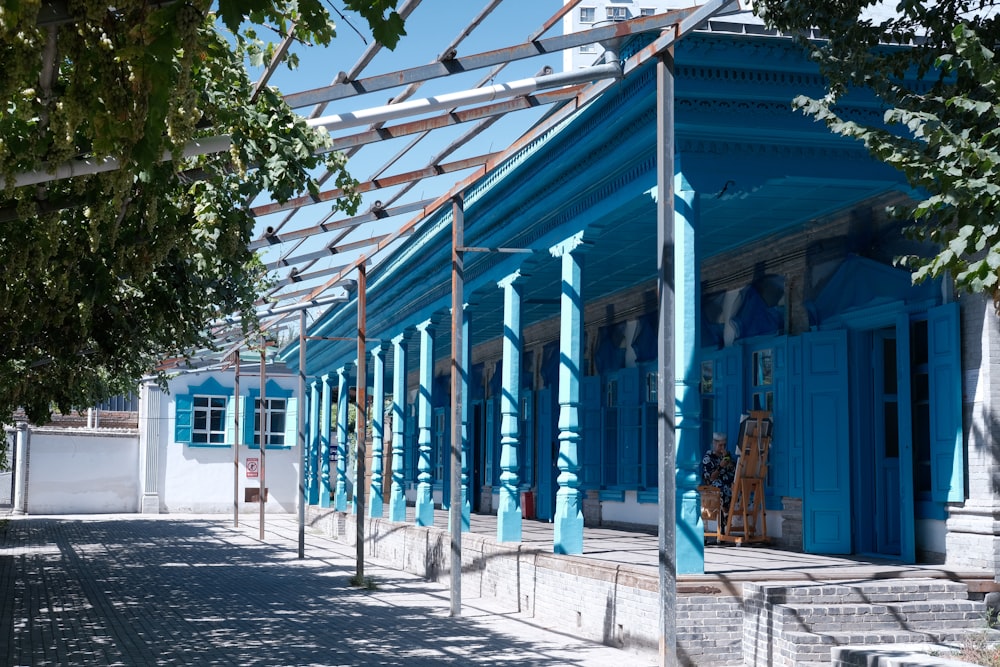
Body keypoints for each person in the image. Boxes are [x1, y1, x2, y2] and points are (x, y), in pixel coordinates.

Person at [702, 432, 736, 531]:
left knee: (737, 488)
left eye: (724, 445)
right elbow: (711, 477)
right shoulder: (708, 458)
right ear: (714, 444)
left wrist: (730, 464)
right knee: (723, 488)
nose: (722, 448)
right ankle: (726, 514)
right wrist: (720, 466)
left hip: (728, 483)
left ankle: (730, 517)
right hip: (714, 484)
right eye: (720, 445)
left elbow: (734, 471)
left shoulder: (726, 455)